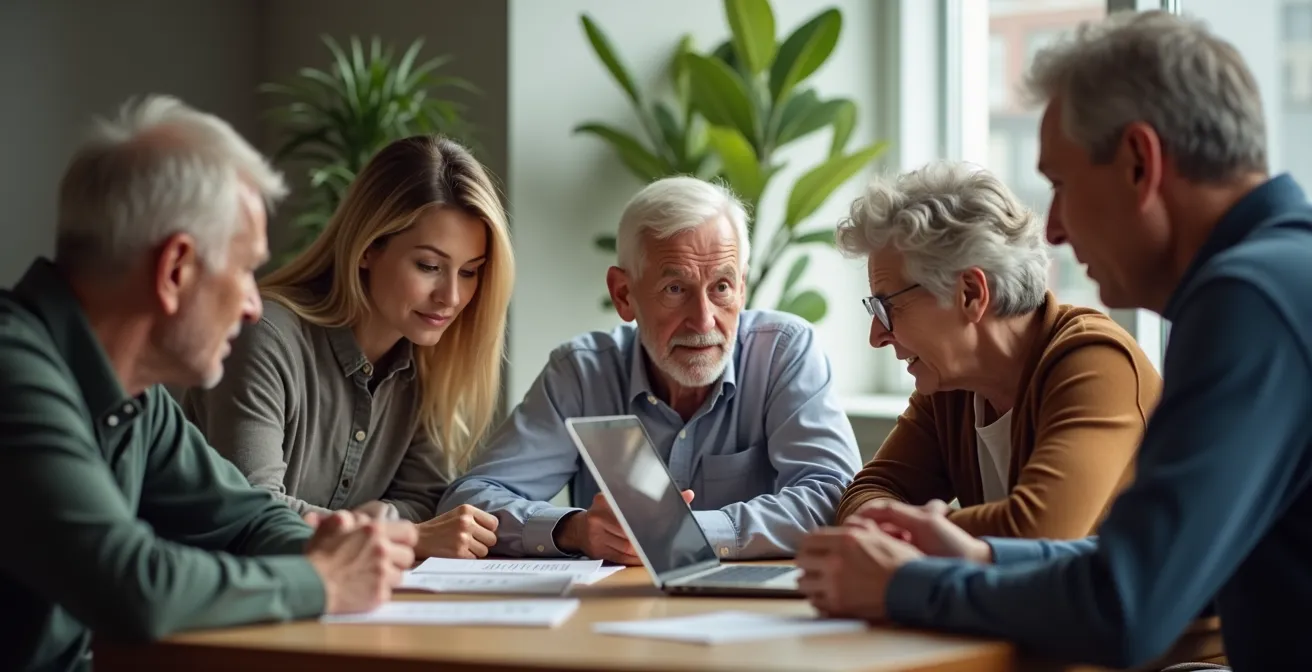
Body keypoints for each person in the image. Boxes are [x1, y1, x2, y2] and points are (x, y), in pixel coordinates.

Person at [796, 10, 1312, 672]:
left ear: (1137, 162)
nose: (1056, 230)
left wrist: (903, 583)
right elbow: (1151, 567)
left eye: (1061, 184)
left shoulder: (1247, 301)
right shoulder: (1280, 277)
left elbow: (1125, 605)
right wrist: (981, 555)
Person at [0, 95, 417, 672]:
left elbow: (243, 517)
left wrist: (330, 546)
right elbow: (133, 586)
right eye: (246, 269)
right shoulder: (13, 372)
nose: (253, 305)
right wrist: (320, 581)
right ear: (176, 270)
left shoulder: (136, 398)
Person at [437, 176, 862, 563]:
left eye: (722, 287)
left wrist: (686, 532)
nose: (703, 320)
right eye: (675, 289)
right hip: (615, 620)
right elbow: (469, 503)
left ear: (743, 288)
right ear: (624, 294)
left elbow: (833, 497)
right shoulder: (583, 373)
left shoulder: (783, 352)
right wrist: (575, 529)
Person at [183, 135, 512, 559]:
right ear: (367, 249)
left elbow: (426, 501)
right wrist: (401, 534)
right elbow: (253, 513)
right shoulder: (262, 335)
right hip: (223, 609)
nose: (451, 296)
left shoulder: (428, 357)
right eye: (429, 266)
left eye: (469, 272)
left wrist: (387, 521)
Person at [833, 161, 1162, 539]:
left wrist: (903, 531)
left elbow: (1038, 532)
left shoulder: (1098, 363)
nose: (877, 335)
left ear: (971, 294)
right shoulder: (951, 387)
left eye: (887, 307)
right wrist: (922, 531)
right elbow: (865, 493)